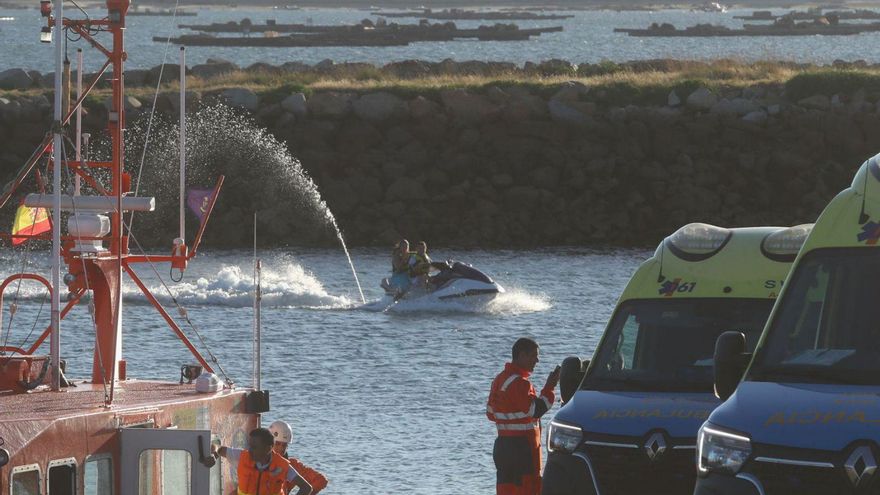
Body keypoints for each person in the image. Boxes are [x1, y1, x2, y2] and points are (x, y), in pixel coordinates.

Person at [486, 338, 560, 495]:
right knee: (528, 489)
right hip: (522, 449)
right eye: (533, 356)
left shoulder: (499, 380)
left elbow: (491, 414)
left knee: (506, 490)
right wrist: (550, 386)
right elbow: (536, 410)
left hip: (503, 447)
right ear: (521, 355)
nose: (537, 360)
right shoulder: (520, 383)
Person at [212, 427, 313, 495]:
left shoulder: (283, 466)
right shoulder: (242, 456)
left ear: (268, 448)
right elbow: (218, 447)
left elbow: (306, 487)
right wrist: (214, 454)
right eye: (250, 446)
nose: (250, 450)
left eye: (254, 447)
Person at [269, 420, 329, 495]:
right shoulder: (260, 462)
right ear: (269, 443)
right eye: (277, 444)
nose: (281, 449)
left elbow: (320, 480)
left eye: (284, 445)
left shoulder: (293, 465)